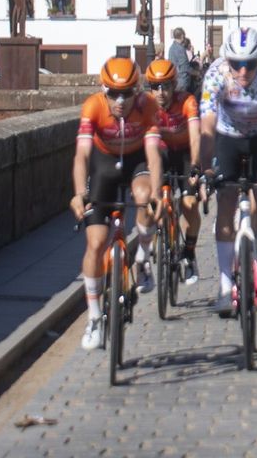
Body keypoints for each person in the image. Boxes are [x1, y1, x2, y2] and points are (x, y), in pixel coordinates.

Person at [71, 57, 164, 350]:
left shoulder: (148, 105)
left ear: (137, 91)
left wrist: (157, 192)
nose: (120, 101)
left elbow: (153, 155)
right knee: (96, 243)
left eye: (127, 93)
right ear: (104, 90)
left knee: (144, 197)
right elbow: (82, 155)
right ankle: (94, 317)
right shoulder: (93, 107)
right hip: (104, 165)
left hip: (136, 161)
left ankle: (143, 257)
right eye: (113, 93)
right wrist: (79, 192)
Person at [200, 27, 257, 316]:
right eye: (236, 63)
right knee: (226, 201)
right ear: (227, 60)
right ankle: (225, 285)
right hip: (227, 138)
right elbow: (206, 125)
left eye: (250, 64)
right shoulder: (215, 74)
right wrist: (205, 169)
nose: (243, 71)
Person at [146, 59, 203, 284]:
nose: (161, 92)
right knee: (150, 199)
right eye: (155, 86)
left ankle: (189, 252)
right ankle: (156, 236)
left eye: (166, 86)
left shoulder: (187, 101)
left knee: (190, 204)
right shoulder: (145, 104)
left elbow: (196, 136)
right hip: (161, 153)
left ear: (174, 85)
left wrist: (196, 164)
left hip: (185, 153)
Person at [167, 28, 193, 95]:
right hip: (182, 82)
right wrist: (196, 72)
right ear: (182, 36)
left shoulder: (171, 48)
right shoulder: (180, 49)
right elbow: (185, 67)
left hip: (174, 80)